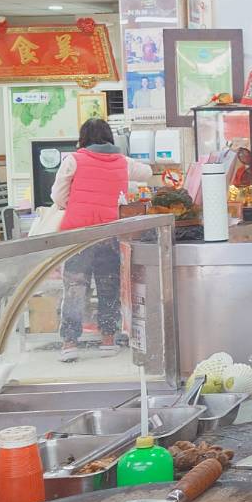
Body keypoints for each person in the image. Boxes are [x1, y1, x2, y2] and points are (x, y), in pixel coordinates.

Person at [51, 118, 153, 363]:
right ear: (110, 137)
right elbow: (147, 173)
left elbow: (57, 194)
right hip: (109, 232)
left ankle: (69, 344)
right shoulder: (123, 161)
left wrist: (71, 206)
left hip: (79, 234)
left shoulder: (73, 160)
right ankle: (108, 340)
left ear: (83, 138)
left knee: (75, 289)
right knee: (109, 287)